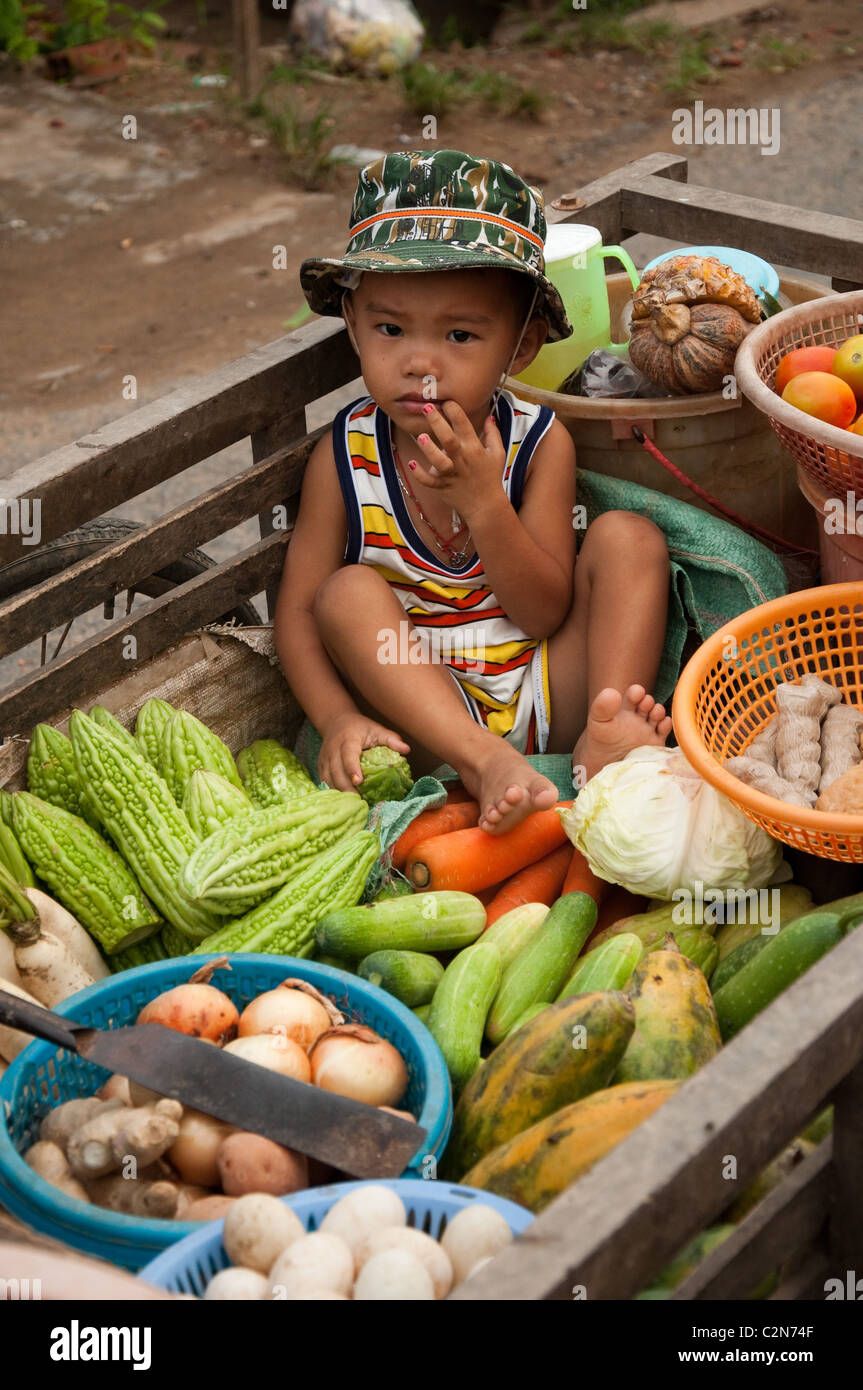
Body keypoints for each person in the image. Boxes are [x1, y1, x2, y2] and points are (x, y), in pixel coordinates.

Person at [275, 149, 671, 834]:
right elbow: (296, 617)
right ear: (353, 322)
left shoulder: (538, 442)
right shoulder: (344, 455)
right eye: (389, 329)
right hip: (433, 720)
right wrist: (339, 717)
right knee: (341, 594)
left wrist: (486, 505)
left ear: (519, 350)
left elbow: (545, 611)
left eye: (460, 335)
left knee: (628, 538)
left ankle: (611, 729)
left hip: (550, 686)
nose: (419, 363)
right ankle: (485, 761)